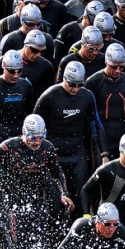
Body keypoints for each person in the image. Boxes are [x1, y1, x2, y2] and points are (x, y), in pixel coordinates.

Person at [0, 114, 74, 249]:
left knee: (38, 238)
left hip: (35, 197)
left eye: (40, 137)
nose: (37, 142)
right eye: (32, 137)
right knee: (15, 243)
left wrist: (63, 194)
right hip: (11, 199)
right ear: (24, 133)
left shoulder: (47, 147)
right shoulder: (8, 146)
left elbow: (57, 172)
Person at [33, 61, 106, 211]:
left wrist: (104, 154)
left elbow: (96, 125)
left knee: (80, 197)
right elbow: (34, 126)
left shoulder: (86, 96)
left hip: (76, 154)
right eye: (72, 84)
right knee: (55, 201)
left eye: (79, 85)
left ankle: (79, 231)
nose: (75, 89)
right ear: (63, 79)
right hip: (53, 155)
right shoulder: (49, 96)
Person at [0, 50, 35, 153]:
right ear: (4, 67)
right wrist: (2, 143)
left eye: (19, 71)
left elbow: (29, 114)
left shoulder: (26, 85)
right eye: (12, 71)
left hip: (19, 138)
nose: (16, 75)